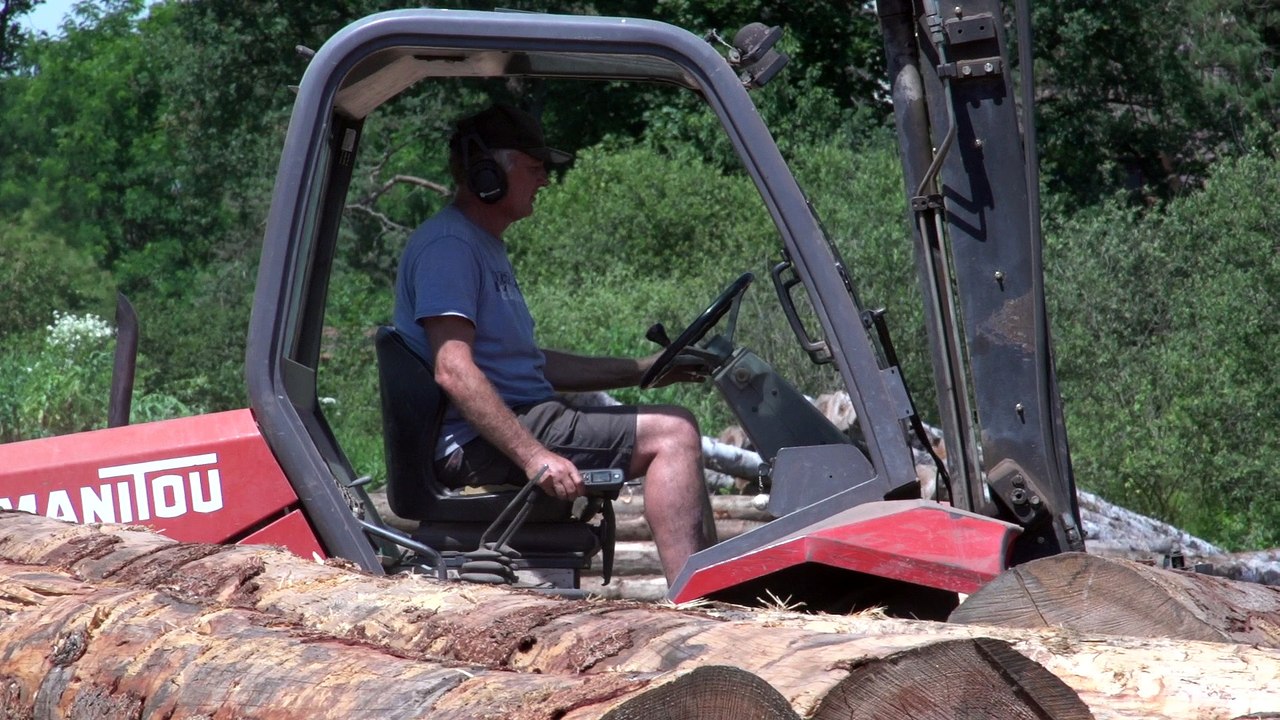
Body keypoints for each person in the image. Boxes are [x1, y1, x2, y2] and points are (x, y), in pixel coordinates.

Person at [392, 103, 716, 583]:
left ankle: (713, 588)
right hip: (478, 441)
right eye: (536, 167)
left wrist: (641, 368)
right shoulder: (450, 248)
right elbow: (453, 369)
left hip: (515, 417)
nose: (545, 180)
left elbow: (528, 364)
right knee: (674, 435)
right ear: (489, 172)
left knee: (675, 423)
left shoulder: (481, 244)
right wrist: (533, 456)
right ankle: (700, 603)